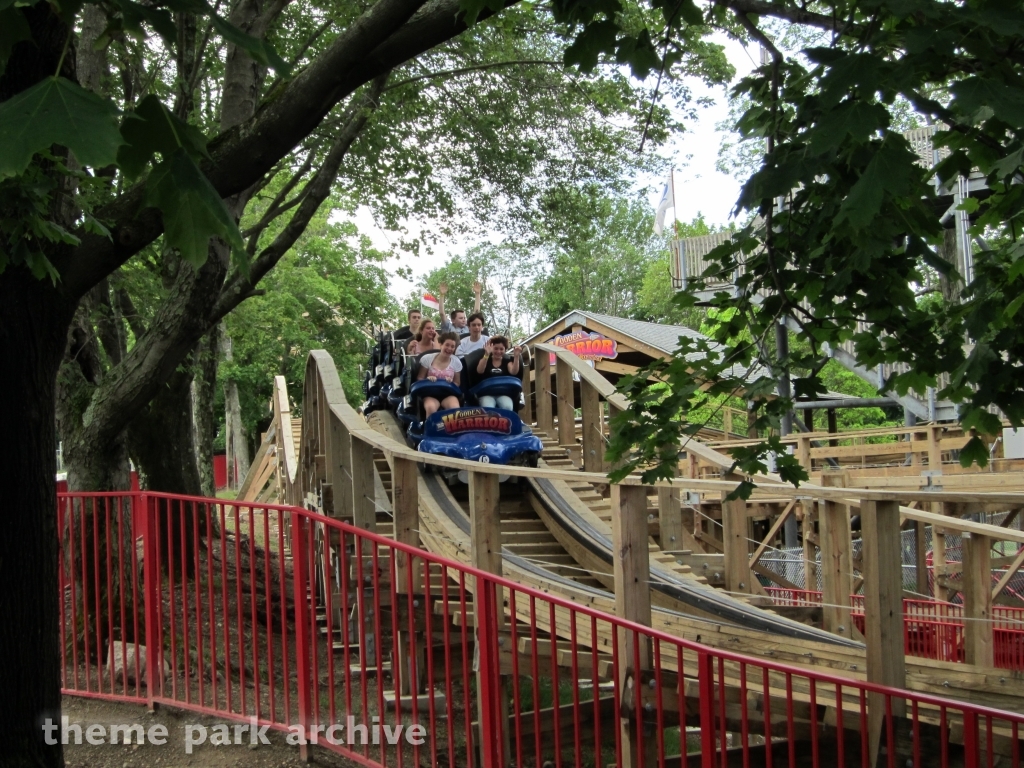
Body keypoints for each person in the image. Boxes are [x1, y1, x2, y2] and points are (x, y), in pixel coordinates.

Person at [416, 333, 462, 416]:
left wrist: (451, 383)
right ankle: (430, 428)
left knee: (454, 408)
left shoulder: (456, 362)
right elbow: (420, 378)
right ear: (441, 345)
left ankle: (452, 428)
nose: (449, 348)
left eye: (452, 346)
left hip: (448, 394)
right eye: (447, 345)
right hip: (430, 393)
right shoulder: (427, 358)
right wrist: (428, 380)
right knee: (431, 407)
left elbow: (457, 383)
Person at [474, 336, 521, 411]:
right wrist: (486, 354)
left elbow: (513, 371)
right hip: (486, 393)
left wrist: (516, 357)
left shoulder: (507, 361)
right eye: (496, 349)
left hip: (503, 393)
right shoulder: (486, 360)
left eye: (501, 349)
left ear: (505, 350)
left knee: (507, 407)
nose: (498, 352)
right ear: (491, 348)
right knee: (489, 408)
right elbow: (480, 370)